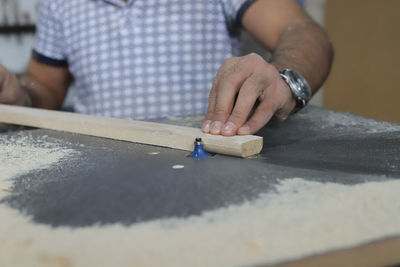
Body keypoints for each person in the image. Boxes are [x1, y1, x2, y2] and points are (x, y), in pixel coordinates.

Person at [0, 0, 333, 136]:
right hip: (97, 180)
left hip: (208, 171)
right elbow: (44, 86)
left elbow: (304, 33)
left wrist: (285, 78)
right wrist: (19, 94)